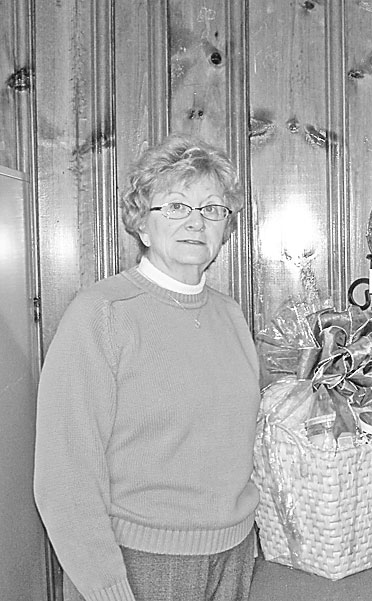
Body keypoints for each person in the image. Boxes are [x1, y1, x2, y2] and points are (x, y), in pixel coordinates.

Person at [34, 134, 261, 601]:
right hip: (141, 564)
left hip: (234, 554)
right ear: (141, 223)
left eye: (212, 209)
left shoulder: (230, 314)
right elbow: (64, 475)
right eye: (176, 206)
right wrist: (106, 587)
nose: (196, 222)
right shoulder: (102, 313)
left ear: (225, 228)